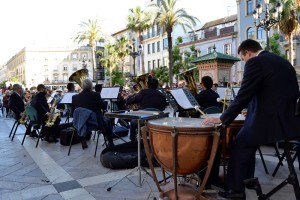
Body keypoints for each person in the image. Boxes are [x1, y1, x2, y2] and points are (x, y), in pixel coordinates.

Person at [203, 39, 300, 199]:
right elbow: (271, 92)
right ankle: (246, 181)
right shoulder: (281, 61)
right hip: (289, 121)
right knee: (247, 142)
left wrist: (222, 118)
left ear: (247, 53)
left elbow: (243, 95)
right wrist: (252, 110)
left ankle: (236, 190)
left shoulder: (255, 62)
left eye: (243, 58)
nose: (244, 62)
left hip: (273, 122)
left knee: (239, 144)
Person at [72, 79, 114, 148]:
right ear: (91, 86)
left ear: (82, 86)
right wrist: (104, 103)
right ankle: (110, 142)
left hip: (81, 123)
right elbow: (103, 107)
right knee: (108, 121)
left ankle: (83, 139)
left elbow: (73, 113)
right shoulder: (96, 95)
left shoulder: (75, 97)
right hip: (95, 123)